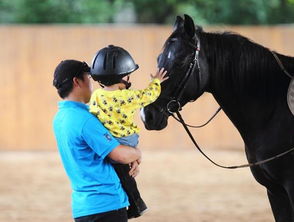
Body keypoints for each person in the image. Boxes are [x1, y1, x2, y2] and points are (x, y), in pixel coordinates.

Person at [52, 59, 142, 222]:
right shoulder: (85, 120)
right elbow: (120, 155)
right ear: (77, 81)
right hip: (106, 205)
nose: (92, 84)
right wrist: (137, 153)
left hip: (83, 206)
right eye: (89, 78)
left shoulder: (60, 117)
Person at [89, 45, 168, 219]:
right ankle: (136, 203)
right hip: (127, 140)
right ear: (121, 77)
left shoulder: (96, 96)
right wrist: (156, 81)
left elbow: (92, 114)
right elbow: (149, 95)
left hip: (109, 139)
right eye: (127, 74)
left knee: (121, 172)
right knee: (124, 173)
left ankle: (135, 202)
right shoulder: (128, 96)